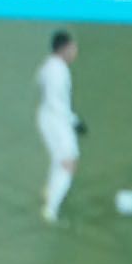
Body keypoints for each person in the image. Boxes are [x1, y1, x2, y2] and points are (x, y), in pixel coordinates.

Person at [37, 30, 81, 224]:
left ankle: (50, 191)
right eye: (73, 48)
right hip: (57, 122)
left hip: (47, 118)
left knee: (59, 159)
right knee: (69, 164)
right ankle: (51, 210)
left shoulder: (49, 65)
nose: (75, 51)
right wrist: (73, 121)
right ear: (64, 49)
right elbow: (57, 103)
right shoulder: (59, 71)